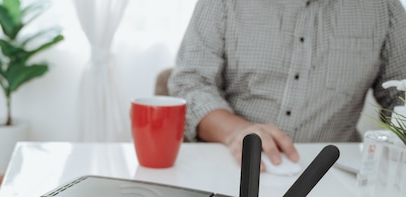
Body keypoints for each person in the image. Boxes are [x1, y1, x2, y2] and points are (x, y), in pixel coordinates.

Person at [168, 0, 406, 169]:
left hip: (335, 174)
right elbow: (190, 83)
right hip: (233, 165)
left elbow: (401, 92)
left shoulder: (383, 6)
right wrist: (237, 132)